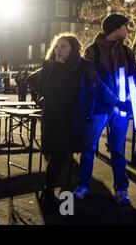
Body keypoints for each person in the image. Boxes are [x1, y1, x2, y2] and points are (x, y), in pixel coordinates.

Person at [34, 34, 120, 211]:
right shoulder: (50, 66)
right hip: (53, 119)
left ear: (73, 48)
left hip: (73, 119)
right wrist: (56, 66)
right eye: (57, 46)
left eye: (63, 46)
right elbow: (44, 88)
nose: (58, 49)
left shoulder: (83, 67)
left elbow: (98, 87)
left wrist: (116, 101)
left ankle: (53, 195)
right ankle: (49, 194)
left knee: (64, 157)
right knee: (56, 157)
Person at [73, 14, 136, 205]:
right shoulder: (92, 51)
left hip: (119, 109)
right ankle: (83, 185)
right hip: (100, 107)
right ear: (115, 29)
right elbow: (93, 81)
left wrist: (131, 102)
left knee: (117, 150)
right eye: (125, 26)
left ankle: (121, 189)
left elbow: (133, 79)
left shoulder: (127, 52)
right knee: (89, 148)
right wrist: (116, 100)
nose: (128, 29)